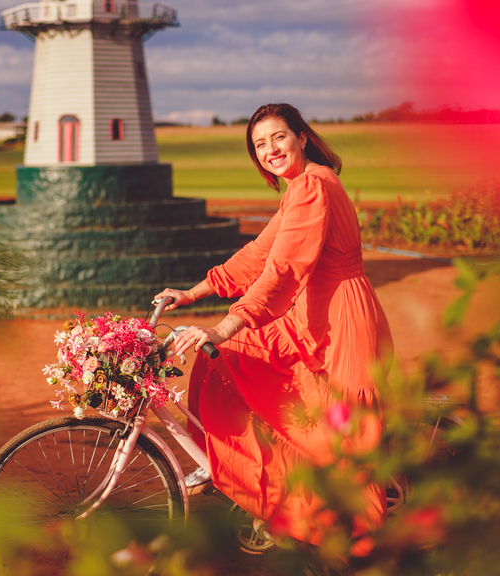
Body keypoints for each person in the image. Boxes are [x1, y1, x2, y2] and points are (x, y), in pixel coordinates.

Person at [155, 102, 394, 549]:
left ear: (302, 137)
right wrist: (193, 292)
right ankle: (259, 478)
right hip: (312, 313)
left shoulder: (312, 187)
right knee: (227, 360)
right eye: (259, 144)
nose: (270, 149)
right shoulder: (301, 187)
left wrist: (226, 325)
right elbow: (259, 254)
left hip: (340, 319)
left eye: (278, 137)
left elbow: (283, 269)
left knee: (346, 442)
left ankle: (360, 550)